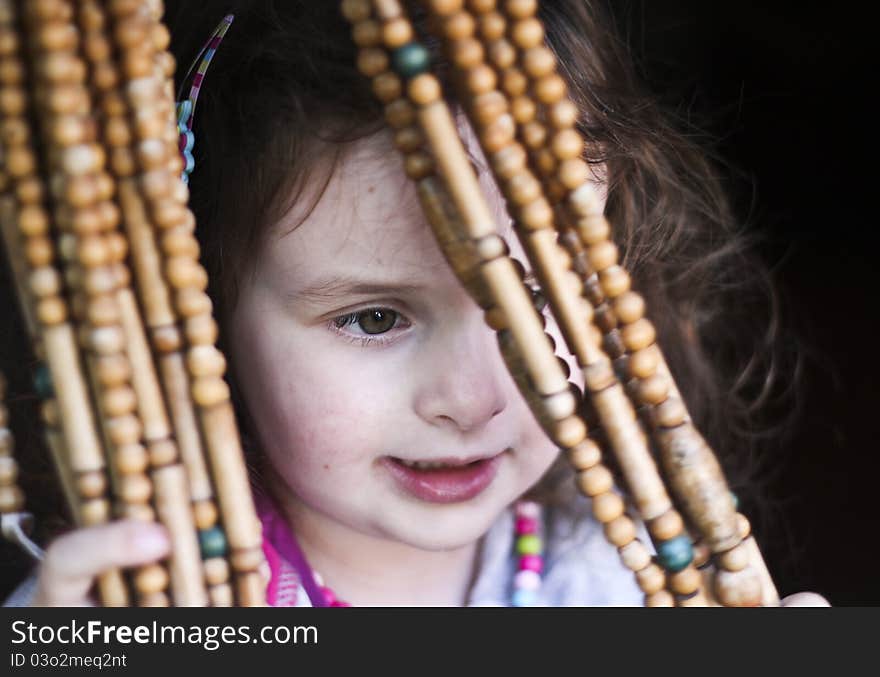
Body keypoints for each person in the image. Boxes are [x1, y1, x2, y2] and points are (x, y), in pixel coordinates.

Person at [2, 0, 827, 607]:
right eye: (374, 317)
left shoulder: (616, 579)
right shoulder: (139, 600)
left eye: (541, 294)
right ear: (203, 312)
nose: (477, 397)